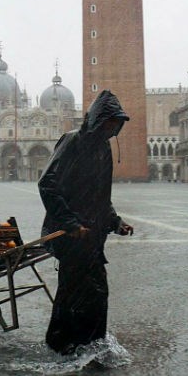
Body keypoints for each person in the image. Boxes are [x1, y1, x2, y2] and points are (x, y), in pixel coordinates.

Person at [38, 89, 134, 354]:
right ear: (96, 120)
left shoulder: (103, 149)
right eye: (109, 123)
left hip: (91, 237)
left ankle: (87, 344)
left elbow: (101, 197)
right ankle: (65, 344)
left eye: (117, 125)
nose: (113, 130)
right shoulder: (72, 142)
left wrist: (116, 222)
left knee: (94, 292)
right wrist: (70, 223)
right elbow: (47, 184)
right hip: (69, 236)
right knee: (75, 291)